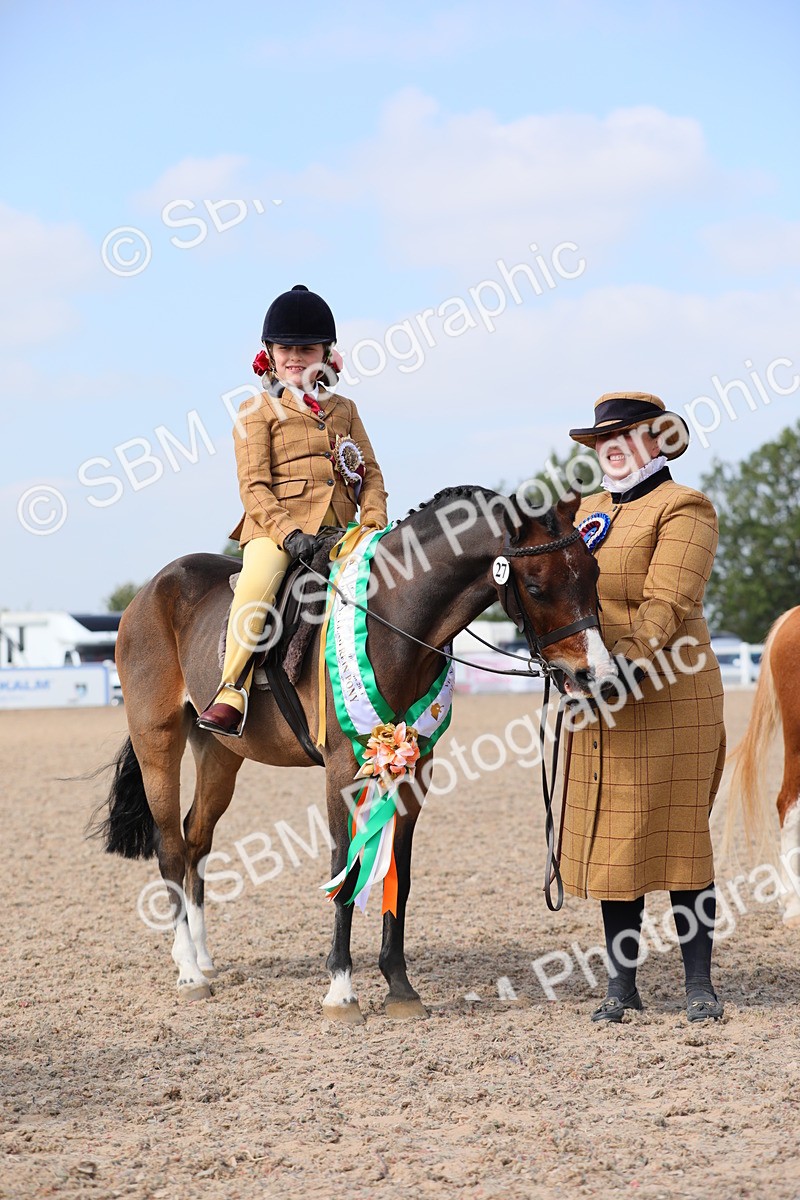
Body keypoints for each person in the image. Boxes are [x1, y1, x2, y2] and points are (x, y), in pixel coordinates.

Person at [561, 391, 726, 1023]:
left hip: (671, 690)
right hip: (600, 693)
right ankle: (621, 985)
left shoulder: (684, 507)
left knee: (678, 835)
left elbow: (668, 602)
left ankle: (699, 983)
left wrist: (623, 664)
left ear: (658, 440)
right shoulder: (587, 511)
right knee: (614, 838)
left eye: (627, 438)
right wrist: (569, 662)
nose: (613, 450)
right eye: (605, 441)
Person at [197, 284, 388, 737]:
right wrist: (288, 535)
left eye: (307, 348)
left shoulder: (346, 410)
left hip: (343, 531)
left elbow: (371, 472)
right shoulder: (254, 412)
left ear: (326, 352)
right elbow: (254, 487)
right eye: (286, 348)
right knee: (259, 582)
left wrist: (374, 522)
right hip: (276, 532)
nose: (296, 357)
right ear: (270, 352)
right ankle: (232, 689)